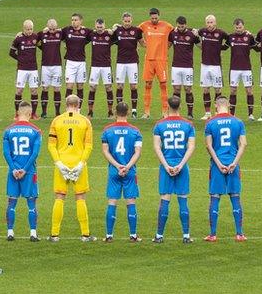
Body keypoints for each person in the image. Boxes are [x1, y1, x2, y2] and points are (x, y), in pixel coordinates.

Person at [47, 95, 96, 242]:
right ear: (78, 104)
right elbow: (88, 146)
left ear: (65, 104)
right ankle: (85, 235)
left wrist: (59, 163)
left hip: (62, 163)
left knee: (59, 197)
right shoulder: (85, 121)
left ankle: (54, 235)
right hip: (78, 164)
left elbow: (51, 145)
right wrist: (81, 163)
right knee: (80, 198)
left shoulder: (56, 120)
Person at [203, 96, 247, 242]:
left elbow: (208, 145)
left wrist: (218, 163)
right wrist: (234, 163)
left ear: (216, 106)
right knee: (235, 197)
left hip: (217, 166)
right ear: (228, 105)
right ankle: (239, 234)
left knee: (215, 198)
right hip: (233, 164)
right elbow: (243, 144)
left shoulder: (210, 123)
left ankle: (213, 234)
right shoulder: (238, 122)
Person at [152, 96, 196, 243]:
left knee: (165, 200)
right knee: (183, 200)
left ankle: (159, 236)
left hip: (166, 167)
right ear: (181, 106)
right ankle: (186, 236)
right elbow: (191, 147)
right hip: (181, 167)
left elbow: (157, 147)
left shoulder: (159, 125)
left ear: (167, 106)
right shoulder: (188, 125)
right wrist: (181, 165)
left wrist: (166, 166)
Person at [100, 102, 143, 242]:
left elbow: (105, 151)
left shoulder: (107, 130)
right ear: (128, 112)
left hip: (114, 171)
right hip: (130, 171)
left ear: (114, 112)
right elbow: (138, 152)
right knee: (131, 202)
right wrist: (127, 166)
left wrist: (117, 166)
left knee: (112, 201)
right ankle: (133, 235)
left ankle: (109, 235)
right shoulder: (135, 131)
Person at [3, 101, 42, 242]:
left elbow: (6, 153)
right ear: (30, 114)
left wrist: (14, 169)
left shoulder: (8, 130)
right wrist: (25, 170)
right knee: (31, 203)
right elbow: (35, 153)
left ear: (18, 113)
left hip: (13, 172)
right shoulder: (36, 131)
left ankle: (10, 232)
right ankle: (33, 233)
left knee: (11, 202)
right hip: (29, 172)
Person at [139, 8, 174, 118]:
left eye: (156, 17)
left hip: (161, 60)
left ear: (159, 16)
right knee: (148, 84)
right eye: (152, 18)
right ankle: (146, 112)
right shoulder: (144, 25)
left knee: (163, 85)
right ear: (150, 17)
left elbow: (176, 35)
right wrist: (142, 44)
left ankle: (164, 112)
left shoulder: (167, 26)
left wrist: (167, 46)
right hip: (149, 60)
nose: (154, 19)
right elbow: (133, 32)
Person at [112, 12, 144, 118]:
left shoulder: (137, 31)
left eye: (129, 21)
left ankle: (134, 111)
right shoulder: (117, 31)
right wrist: (110, 30)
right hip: (120, 62)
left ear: (132, 20)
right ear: (122, 21)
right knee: (119, 85)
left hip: (133, 62)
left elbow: (143, 43)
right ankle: (118, 109)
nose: (127, 23)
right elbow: (109, 41)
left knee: (133, 86)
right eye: (125, 21)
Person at [198, 15, 229, 120]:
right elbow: (191, 31)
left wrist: (223, 48)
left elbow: (231, 39)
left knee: (217, 89)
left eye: (211, 22)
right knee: (205, 89)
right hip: (204, 65)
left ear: (215, 23)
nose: (209, 25)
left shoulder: (221, 33)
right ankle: (207, 113)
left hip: (216, 66)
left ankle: (217, 112)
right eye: (208, 22)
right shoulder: (202, 31)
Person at [168, 16, 200, 119]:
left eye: (182, 26)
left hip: (188, 67)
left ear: (185, 25)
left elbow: (201, 46)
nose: (180, 28)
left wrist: (198, 36)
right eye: (179, 26)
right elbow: (167, 45)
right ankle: (175, 112)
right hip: (175, 66)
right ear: (176, 24)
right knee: (176, 89)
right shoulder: (172, 33)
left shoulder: (192, 34)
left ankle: (190, 113)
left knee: (188, 89)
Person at [226, 18, 256, 120]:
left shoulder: (249, 37)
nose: (238, 29)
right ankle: (232, 114)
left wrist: (254, 37)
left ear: (243, 26)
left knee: (249, 90)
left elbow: (257, 47)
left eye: (240, 27)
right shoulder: (230, 37)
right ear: (234, 27)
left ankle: (251, 114)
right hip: (234, 69)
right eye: (237, 27)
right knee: (233, 91)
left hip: (246, 68)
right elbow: (223, 47)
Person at [9, 19, 40, 120]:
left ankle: (33, 114)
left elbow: (43, 44)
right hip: (22, 69)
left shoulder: (35, 37)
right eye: (27, 29)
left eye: (31, 29)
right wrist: (20, 59)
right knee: (19, 90)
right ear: (23, 28)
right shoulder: (18, 39)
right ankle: (17, 114)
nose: (29, 31)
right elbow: (11, 52)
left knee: (34, 90)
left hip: (33, 69)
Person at [62, 13, 92, 106]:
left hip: (81, 62)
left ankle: (78, 109)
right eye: (72, 20)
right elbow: (56, 32)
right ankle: (68, 109)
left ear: (80, 21)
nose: (73, 22)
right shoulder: (66, 30)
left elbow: (99, 32)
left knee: (80, 86)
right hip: (70, 62)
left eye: (75, 20)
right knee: (69, 86)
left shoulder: (86, 31)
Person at [88, 18, 115, 118]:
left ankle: (110, 112)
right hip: (94, 66)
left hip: (106, 66)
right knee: (92, 88)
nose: (99, 29)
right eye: (98, 27)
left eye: (101, 27)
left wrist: (114, 28)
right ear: (95, 26)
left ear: (104, 26)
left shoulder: (109, 35)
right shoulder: (92, 34)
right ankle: (90, 112)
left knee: (108, 87)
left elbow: (118, 31)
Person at [37, 18, 63, 118]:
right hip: (45, 66)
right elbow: (33, 39)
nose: (52, 31)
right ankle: (44, 112)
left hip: (57, 66)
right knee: (45, 88)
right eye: (50, 29)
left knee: (57, 88)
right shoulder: (41, 34)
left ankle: (57, 112)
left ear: (57, 27)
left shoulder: (60, 33)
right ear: (47, 27)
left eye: (54, 29)